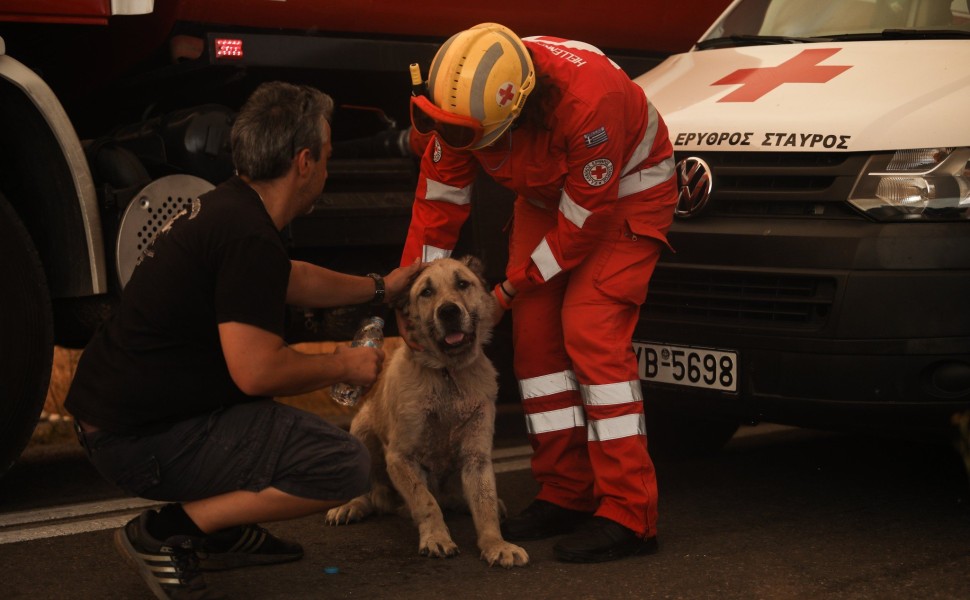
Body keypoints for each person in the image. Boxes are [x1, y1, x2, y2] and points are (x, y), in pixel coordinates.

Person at [65, 81, 423, 599]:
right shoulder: (248, 236)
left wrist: (378, 288)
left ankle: (222, 531)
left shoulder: (232, 208)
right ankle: (167, 534)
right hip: (134, 442)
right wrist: (343, 365)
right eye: (325, 156)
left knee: (259, 406)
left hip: (120, 421)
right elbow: (256, 370)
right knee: (343, 464)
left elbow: (289, 277)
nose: (328, 168)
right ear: (303, 162)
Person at [399, 23, 678, 563]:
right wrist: (418, 301)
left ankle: (628, 512)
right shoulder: (465, 107)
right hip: (550, 194)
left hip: (626, 192)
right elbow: (437, 207)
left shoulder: (589, 105)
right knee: (536, 342)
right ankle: (566, 491)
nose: (460, 145)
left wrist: (507, 287)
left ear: (517, 114)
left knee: (589, 330)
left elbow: (581, 223)